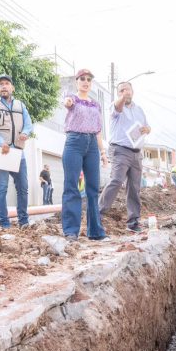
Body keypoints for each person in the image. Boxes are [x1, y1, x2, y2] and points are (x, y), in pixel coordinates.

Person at [62, 69, 108, 241]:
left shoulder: (96, 105)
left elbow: (98, 131)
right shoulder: (72, 98)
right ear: (77, 81)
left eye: (89, 79)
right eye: (82, 79)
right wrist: (67, 101)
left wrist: (103, 153)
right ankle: (71, 231)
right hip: (74, 142)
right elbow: (67, 103)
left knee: (93, 189)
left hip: (92, 147)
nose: (86, 81)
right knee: (71, 186)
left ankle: (95, 231)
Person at [98, 81, 151, 233]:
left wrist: (147, 129)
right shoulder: (115, 106)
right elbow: (118, 107)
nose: (124, 92)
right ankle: (98, 215)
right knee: (116, 180)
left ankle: (133, 222)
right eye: (121, 90)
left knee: (134, 187)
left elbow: (148, 127)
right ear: (118, 93)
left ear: (132, 91)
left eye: (127, 89)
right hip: (120, 150)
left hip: (136, 152)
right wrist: (122, 97)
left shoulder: (139, 110)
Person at [0, 74, 33, 229]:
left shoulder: (20, 105)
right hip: (0, 152)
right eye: (0, 84)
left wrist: (25, 132)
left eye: (7, 83)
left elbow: (29, 124)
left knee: (23, 187)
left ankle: (23, 221)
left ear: (12, 88)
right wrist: (0, 141)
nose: (4, 86)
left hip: (18, 153)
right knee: (2, 188)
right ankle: (4, 223)